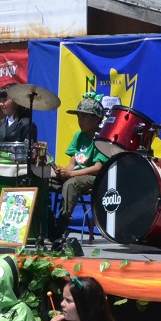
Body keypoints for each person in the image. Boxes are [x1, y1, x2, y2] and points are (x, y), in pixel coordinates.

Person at [51, 96, 109, 244]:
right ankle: (44, 222)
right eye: (78, 116)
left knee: (71, 184)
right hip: (75, 174)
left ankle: (61, 224)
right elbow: (72, 163)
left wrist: (71, 174)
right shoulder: (78, 136)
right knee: (46, 178)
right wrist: (63, 171)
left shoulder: (101, 138)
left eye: (84, 116)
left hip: (94, 179)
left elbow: (97, 168)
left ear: (97, 119)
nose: (80, 120)